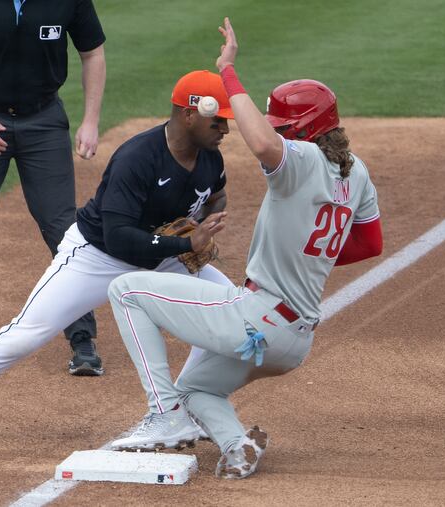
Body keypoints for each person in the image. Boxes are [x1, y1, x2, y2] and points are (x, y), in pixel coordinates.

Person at [0, 70, 235, 447]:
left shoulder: (210, 158)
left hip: (159, 256)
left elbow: (214, 194)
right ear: (189, 115)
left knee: (229, 309)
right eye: (217, 119)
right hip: (97, 258)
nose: (225, 128)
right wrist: (185, 245)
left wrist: (201, 220)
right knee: (25, 335)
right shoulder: (137, 158)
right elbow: (121, 239)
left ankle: (180, 410)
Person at [106, 17, 384, 479]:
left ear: (305, 129)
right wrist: (310, 255)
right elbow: (369, 243)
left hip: (257, 317)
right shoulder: (357, 173)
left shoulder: (301, 159)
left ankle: (164, 413)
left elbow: (260, 142)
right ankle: (238, 445)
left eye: (285, 127)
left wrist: (227, 71)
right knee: (195, 389)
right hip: (294, 342)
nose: (278, 133)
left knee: (127, 291)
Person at [0, 0, 105, 375]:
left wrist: (91, 121)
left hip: (42, 121)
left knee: (63, 230)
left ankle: (82, 336)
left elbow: (92, 53)